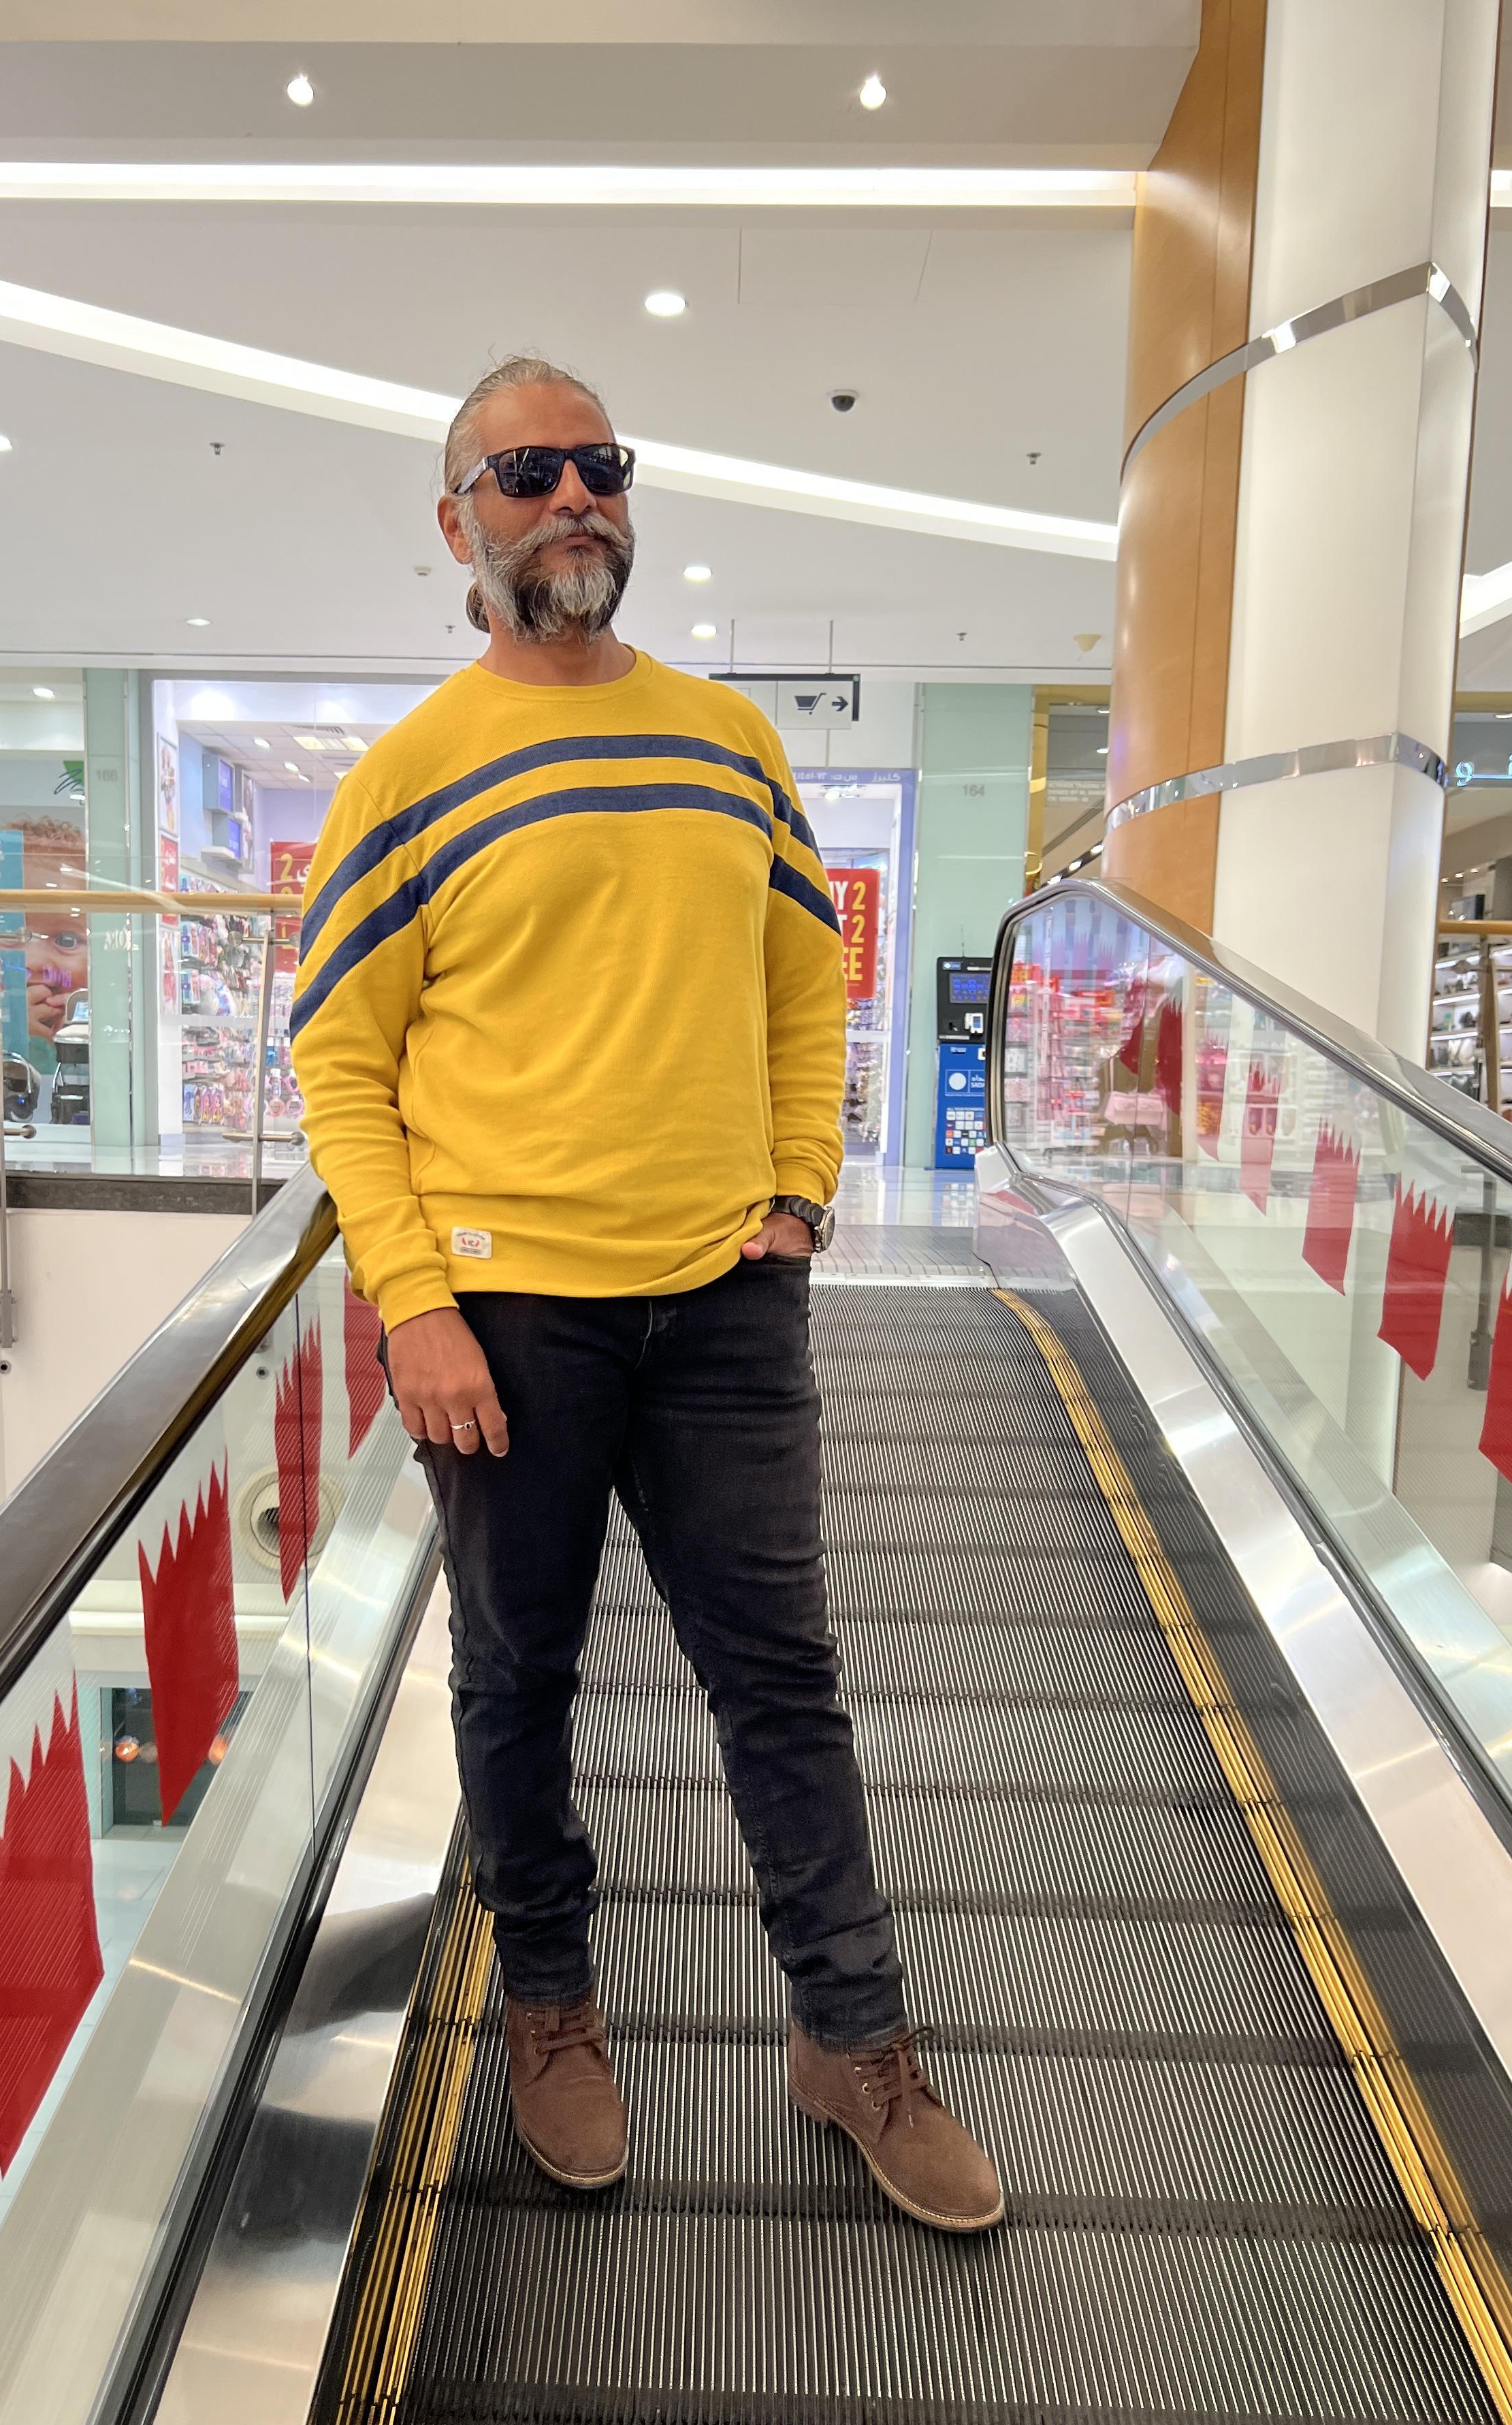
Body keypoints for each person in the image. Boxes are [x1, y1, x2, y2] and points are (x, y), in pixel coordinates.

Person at [291, 356, 1001, 2233]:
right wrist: (412, 1300)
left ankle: (853, 2037)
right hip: (505, 1322)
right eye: (527, 470)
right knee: (516, 1677)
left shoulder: (727, 743)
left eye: (598, 464)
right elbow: (341, 1062)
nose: (573, 497)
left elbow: (804, 984)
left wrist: (801, 1184)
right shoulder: (407, 777)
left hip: (722, 1307)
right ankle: (550, 2006)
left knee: (782, 1679)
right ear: (459, 520)